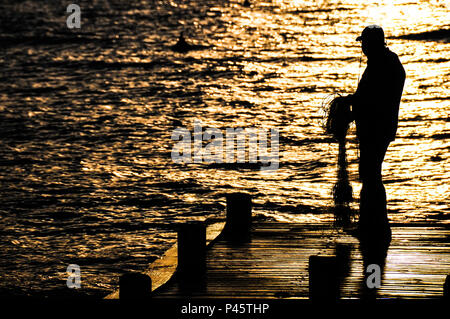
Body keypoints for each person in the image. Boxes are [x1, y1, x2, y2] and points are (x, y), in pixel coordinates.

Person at [344, 25, 406, 248]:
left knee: (371, 177)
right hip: (381, 128)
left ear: (372, 43)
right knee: (371, 175)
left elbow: (372, 100)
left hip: (376, 130)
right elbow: (368, 97)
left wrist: (351, 106)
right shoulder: (388, 62)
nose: (362, 47)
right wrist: (354, 103)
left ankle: (376, 227)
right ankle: (373, 225)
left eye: (364, 43)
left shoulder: (382, 65)